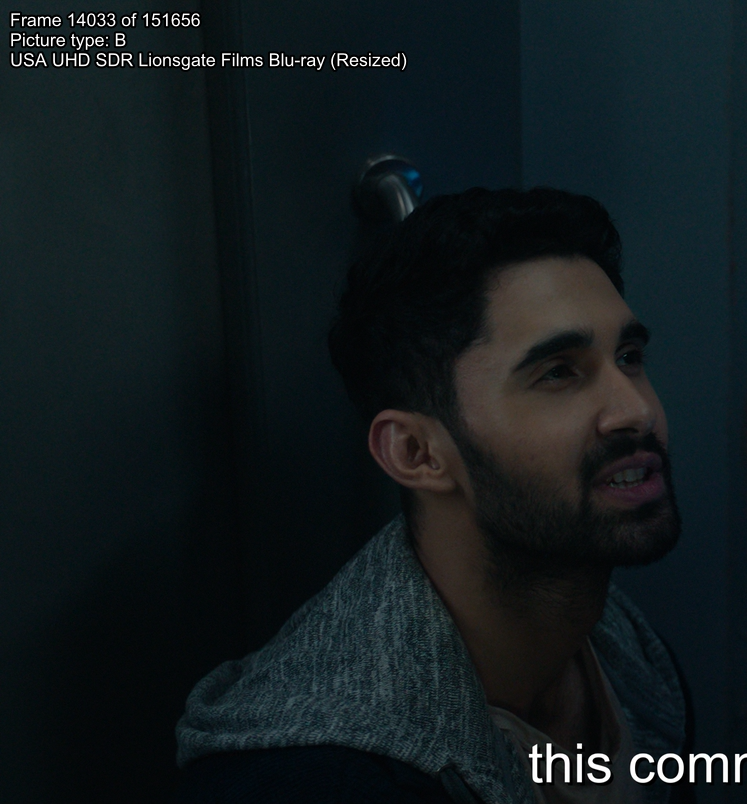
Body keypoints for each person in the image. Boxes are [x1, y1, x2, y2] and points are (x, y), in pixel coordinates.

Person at [176, 188, 695, 803]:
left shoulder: (623, 652)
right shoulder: (317, 779)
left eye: (629, 357)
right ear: (416, 453)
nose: (636, 410)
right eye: (558, 372)